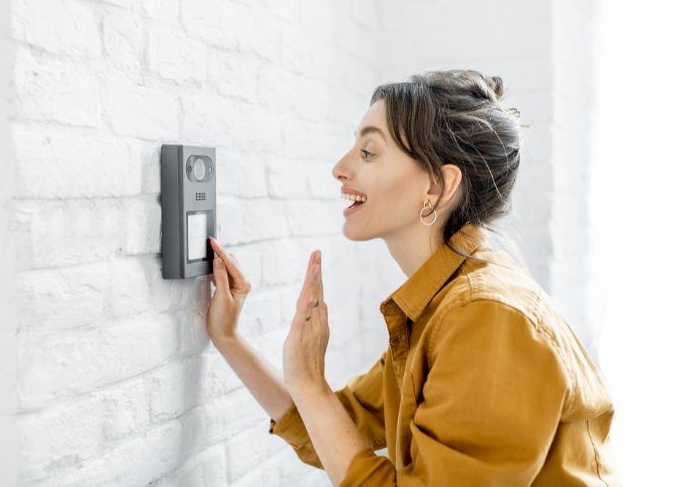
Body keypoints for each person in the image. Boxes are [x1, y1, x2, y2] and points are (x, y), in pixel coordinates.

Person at [205, 69, 619, 486]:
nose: (340, 168)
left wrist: (311, 383)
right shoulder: (442, 304)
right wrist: (229, 338)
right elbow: (333, 427)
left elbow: (322, 412)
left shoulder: (486, 316)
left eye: (368, 152)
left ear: (438, 187)